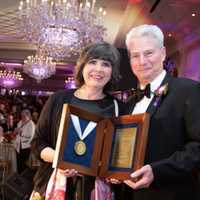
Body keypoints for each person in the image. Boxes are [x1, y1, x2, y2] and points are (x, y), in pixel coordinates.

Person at [31, 42, 123, 200]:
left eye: (106, 64)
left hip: (96, 191)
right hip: (55, 185)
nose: (98, 69)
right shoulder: (58, 99)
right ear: (82, 67)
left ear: (112, 71)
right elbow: (38, 142)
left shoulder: (118, 107)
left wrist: (117, 172)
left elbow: (119, 153)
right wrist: (59, 159)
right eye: (92, 62)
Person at [122, 24, 200, 200]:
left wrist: (157, 171)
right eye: (135, 55)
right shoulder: (128, 103)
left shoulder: (189, 90)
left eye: (149, 53)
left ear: (163, 53)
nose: (142, 61)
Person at [14, 109, 35, 173]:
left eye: (24, 116)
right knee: (18, 162)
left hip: (26, 146)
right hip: (18, 146)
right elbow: (16, 132)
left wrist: (21, 133)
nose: (22, 117)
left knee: (24, 163)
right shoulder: (20, 122)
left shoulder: (31, 124)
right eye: (21, 116)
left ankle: (24, 178)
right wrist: (15, 131)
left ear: (28, 115)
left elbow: (31, 135)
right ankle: (19, 176)